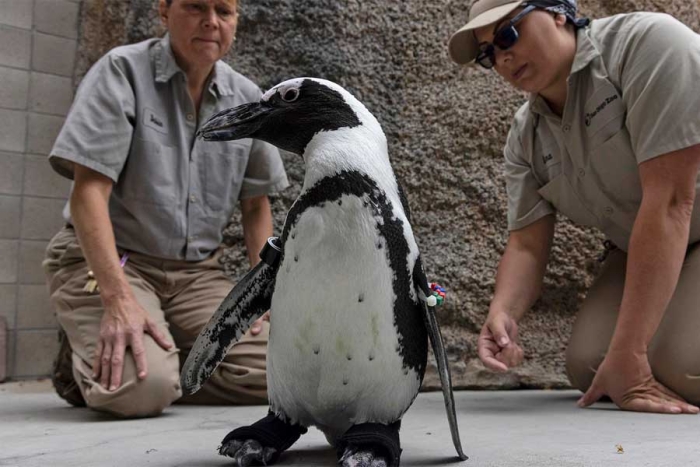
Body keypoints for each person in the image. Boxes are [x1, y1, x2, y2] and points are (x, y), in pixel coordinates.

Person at [448, 0, 700, 414]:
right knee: (590, 365)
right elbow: (527, 243)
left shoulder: (647, 45)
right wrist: (502, 313)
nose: (502, 56)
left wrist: (633, 354)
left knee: (682, 365)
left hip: (679, 219)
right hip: (650, 244)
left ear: (558, 11)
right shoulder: (525, 137)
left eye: (509, 33)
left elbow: (672, 201)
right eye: (487, 53)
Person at [43, 0, 289, 418]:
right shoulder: (122, 71)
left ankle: (165, 356)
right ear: (163, 11)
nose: (211, 21)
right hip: (116, 264)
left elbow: (255, 206)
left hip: (195, 277)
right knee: (139, 392)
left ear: (235, 21)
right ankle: (88, 364)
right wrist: (117, 297)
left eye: (224, 11)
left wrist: (260, 291)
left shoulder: (248, 99)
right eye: (195, 6)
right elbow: (88, 194)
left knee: (286, 372)